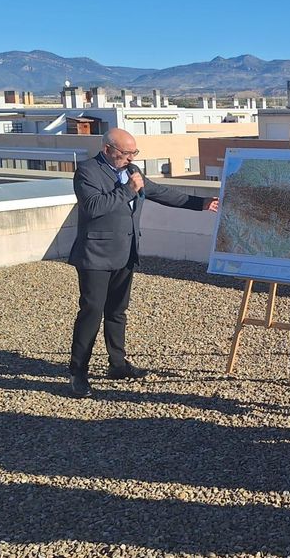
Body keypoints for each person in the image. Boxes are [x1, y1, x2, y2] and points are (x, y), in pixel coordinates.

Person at [67, 128, 219, 399]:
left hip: (126, 252)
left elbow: (162, 193)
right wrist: (128, 189)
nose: (130, 158)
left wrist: (202, 203)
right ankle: (78, 371)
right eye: (125, 153)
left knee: (117, 311)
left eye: (133, 153)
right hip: (96, 255)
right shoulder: (87, 172)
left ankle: (117, 364)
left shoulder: (133, 170)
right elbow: (93, 207)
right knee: (91, 313)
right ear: (107, 150)